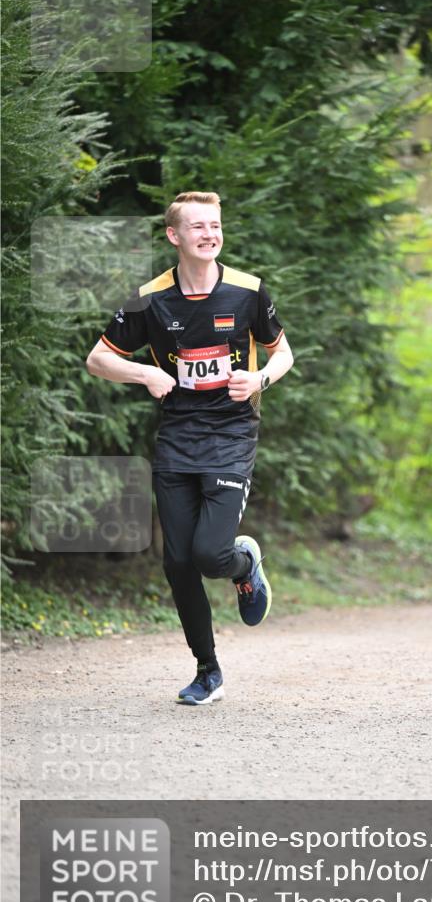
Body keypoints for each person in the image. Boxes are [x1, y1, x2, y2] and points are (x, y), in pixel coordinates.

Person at [86, 191, 294, 705]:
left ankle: (244, 566)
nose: (209, 234)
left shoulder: (248, 291)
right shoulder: (149, 298)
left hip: (231, 436)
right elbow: (97, 359)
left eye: (215, 225)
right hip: (177, 438)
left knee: (209, 554)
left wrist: (260, 379)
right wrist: (144, 373)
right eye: (198, 226)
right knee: (178, 563)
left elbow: (283, 352)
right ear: (174, 236)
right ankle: (208, 671)